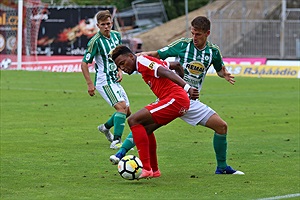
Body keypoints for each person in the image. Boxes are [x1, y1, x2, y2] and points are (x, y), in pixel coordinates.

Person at [110, 16, 245, 175]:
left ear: (207, 33)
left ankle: (221, 167)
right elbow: (160, 54)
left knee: (221, 127)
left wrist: (225, 74)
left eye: (198, 34)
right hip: (175, 95)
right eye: (193, 33)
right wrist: (142, 56)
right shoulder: (182, 45)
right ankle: (124, 154)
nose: (194, 37)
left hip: (189, 100)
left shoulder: (213, 52)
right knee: (143, 125)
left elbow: (218, 69)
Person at [110, 45, 199, 179]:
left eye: (123, 63)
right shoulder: (145, 63)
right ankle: (154, 170)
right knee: (145, 128)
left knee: (133, 120)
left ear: (131, 56)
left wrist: (187, 88)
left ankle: (146, 168)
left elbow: (166, 72)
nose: (122, 68)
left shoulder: (142, 61)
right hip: (175, 99)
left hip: (176, 99)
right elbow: (176, 65)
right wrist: (183, 83)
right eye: (119, 66)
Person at [81, 10, 131, 149]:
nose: (106, 27)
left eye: (108, 24)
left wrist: (120, 70)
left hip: (114, 79)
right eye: (103, 24)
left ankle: (105, 127)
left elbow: (119, 56)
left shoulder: (116, 36)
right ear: (98, 25)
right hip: (104, 81)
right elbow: (84, 63)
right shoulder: (95, 42)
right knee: (121, 108)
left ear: (111, 23)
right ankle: (116, 141)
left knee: (127, 112)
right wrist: (90, 84)